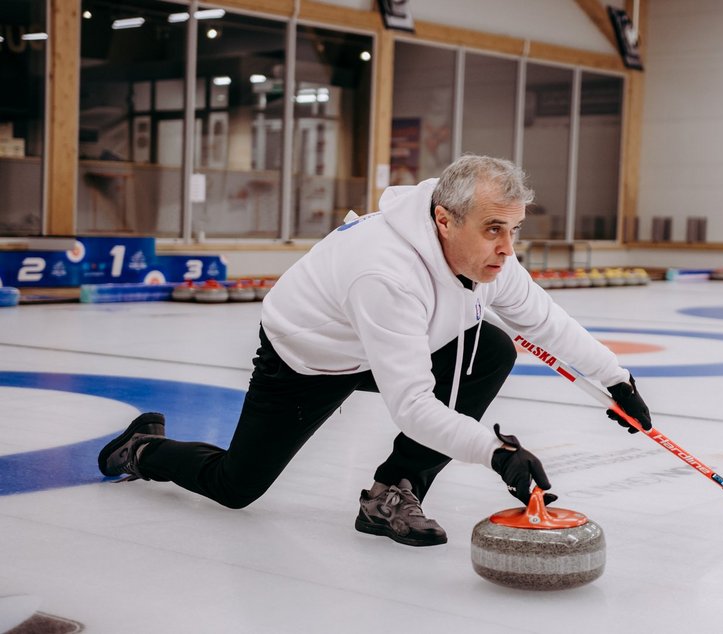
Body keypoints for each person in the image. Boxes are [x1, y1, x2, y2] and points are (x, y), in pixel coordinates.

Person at [98, 155, 652, 547]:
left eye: (513, 230)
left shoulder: (484, 257)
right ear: (444, 219)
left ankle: (394, 491)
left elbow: (546, 319)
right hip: (308, 360)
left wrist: (616, 380)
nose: (507, 249)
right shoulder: (385, 272)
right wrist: (496, 452)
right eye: (493, 230)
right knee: (236, 487)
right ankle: (143, 449)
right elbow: (411, 404)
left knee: (491, 349)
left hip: (386, 341)